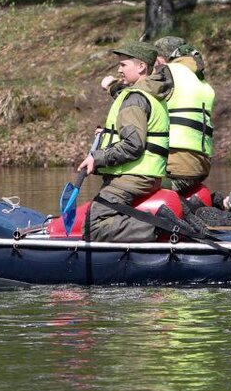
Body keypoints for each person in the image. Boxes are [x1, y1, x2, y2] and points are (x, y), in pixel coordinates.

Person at [80, 41, 170, 243]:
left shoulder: (135, 98)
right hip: (146, 175)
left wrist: (98, 158)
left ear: (141, 67)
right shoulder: (152, 93)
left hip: (134, 176)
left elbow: (132, 145)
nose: (119, 70)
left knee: (93, 227)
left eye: (123, 65)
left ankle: (163, 226)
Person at [152, 36, 215, 197]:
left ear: (160, 60)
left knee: (129, 185)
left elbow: (137, 95)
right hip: (200, 168)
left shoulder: (168, 72)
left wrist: (112, 86)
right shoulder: (201, 82)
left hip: (176, 168)